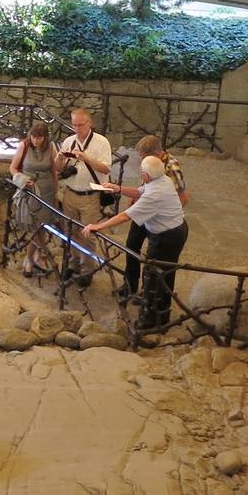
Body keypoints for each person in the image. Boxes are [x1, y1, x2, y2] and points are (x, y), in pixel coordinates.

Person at [84, 155, 188, 331]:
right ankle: (162, 314)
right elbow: (140, 191)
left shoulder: (155, 194)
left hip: (167, 237)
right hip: (173, 230)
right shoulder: (163, 180)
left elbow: (125, 215)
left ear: (146, 175)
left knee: (155, 274)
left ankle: (151, 321)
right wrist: (118, 188)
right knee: (163, 273)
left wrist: (98, 226)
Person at [118, 136, 190, 297]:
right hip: (145, 210)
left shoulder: (172, 167)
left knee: (153, 258)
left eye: (144, 157)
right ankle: (130, 284)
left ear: (157, 154)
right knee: (132, 245)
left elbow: (182, 197)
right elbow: (147, 184)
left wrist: (163, 215)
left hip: (156, 217)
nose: (142, 160)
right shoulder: (153, 164)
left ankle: (147, 292)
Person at [8, 121, 62, 276]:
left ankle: (36, 257)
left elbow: (54, 172)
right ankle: (32, 257)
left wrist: (56, 194)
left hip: (47, 191)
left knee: (42, 226)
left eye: (40, 138)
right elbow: (12, 168)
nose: (36, 140)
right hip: (30, 191)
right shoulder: (24, 146)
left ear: (45, 138)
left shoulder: (50, 148)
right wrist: (23, 178)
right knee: (33, 227)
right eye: (34, 137)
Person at [58, 108, 113, 228]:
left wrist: (86, 158)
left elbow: (106, 169)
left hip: (90, 197)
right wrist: (59, 157)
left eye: (81, 125)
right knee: (70, 232)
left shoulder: (101, 142)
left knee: (88, 234)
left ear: (90, 123)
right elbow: (59, 168)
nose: (77, 129)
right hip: (69, 194)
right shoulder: (69, 141)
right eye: (74, 125)